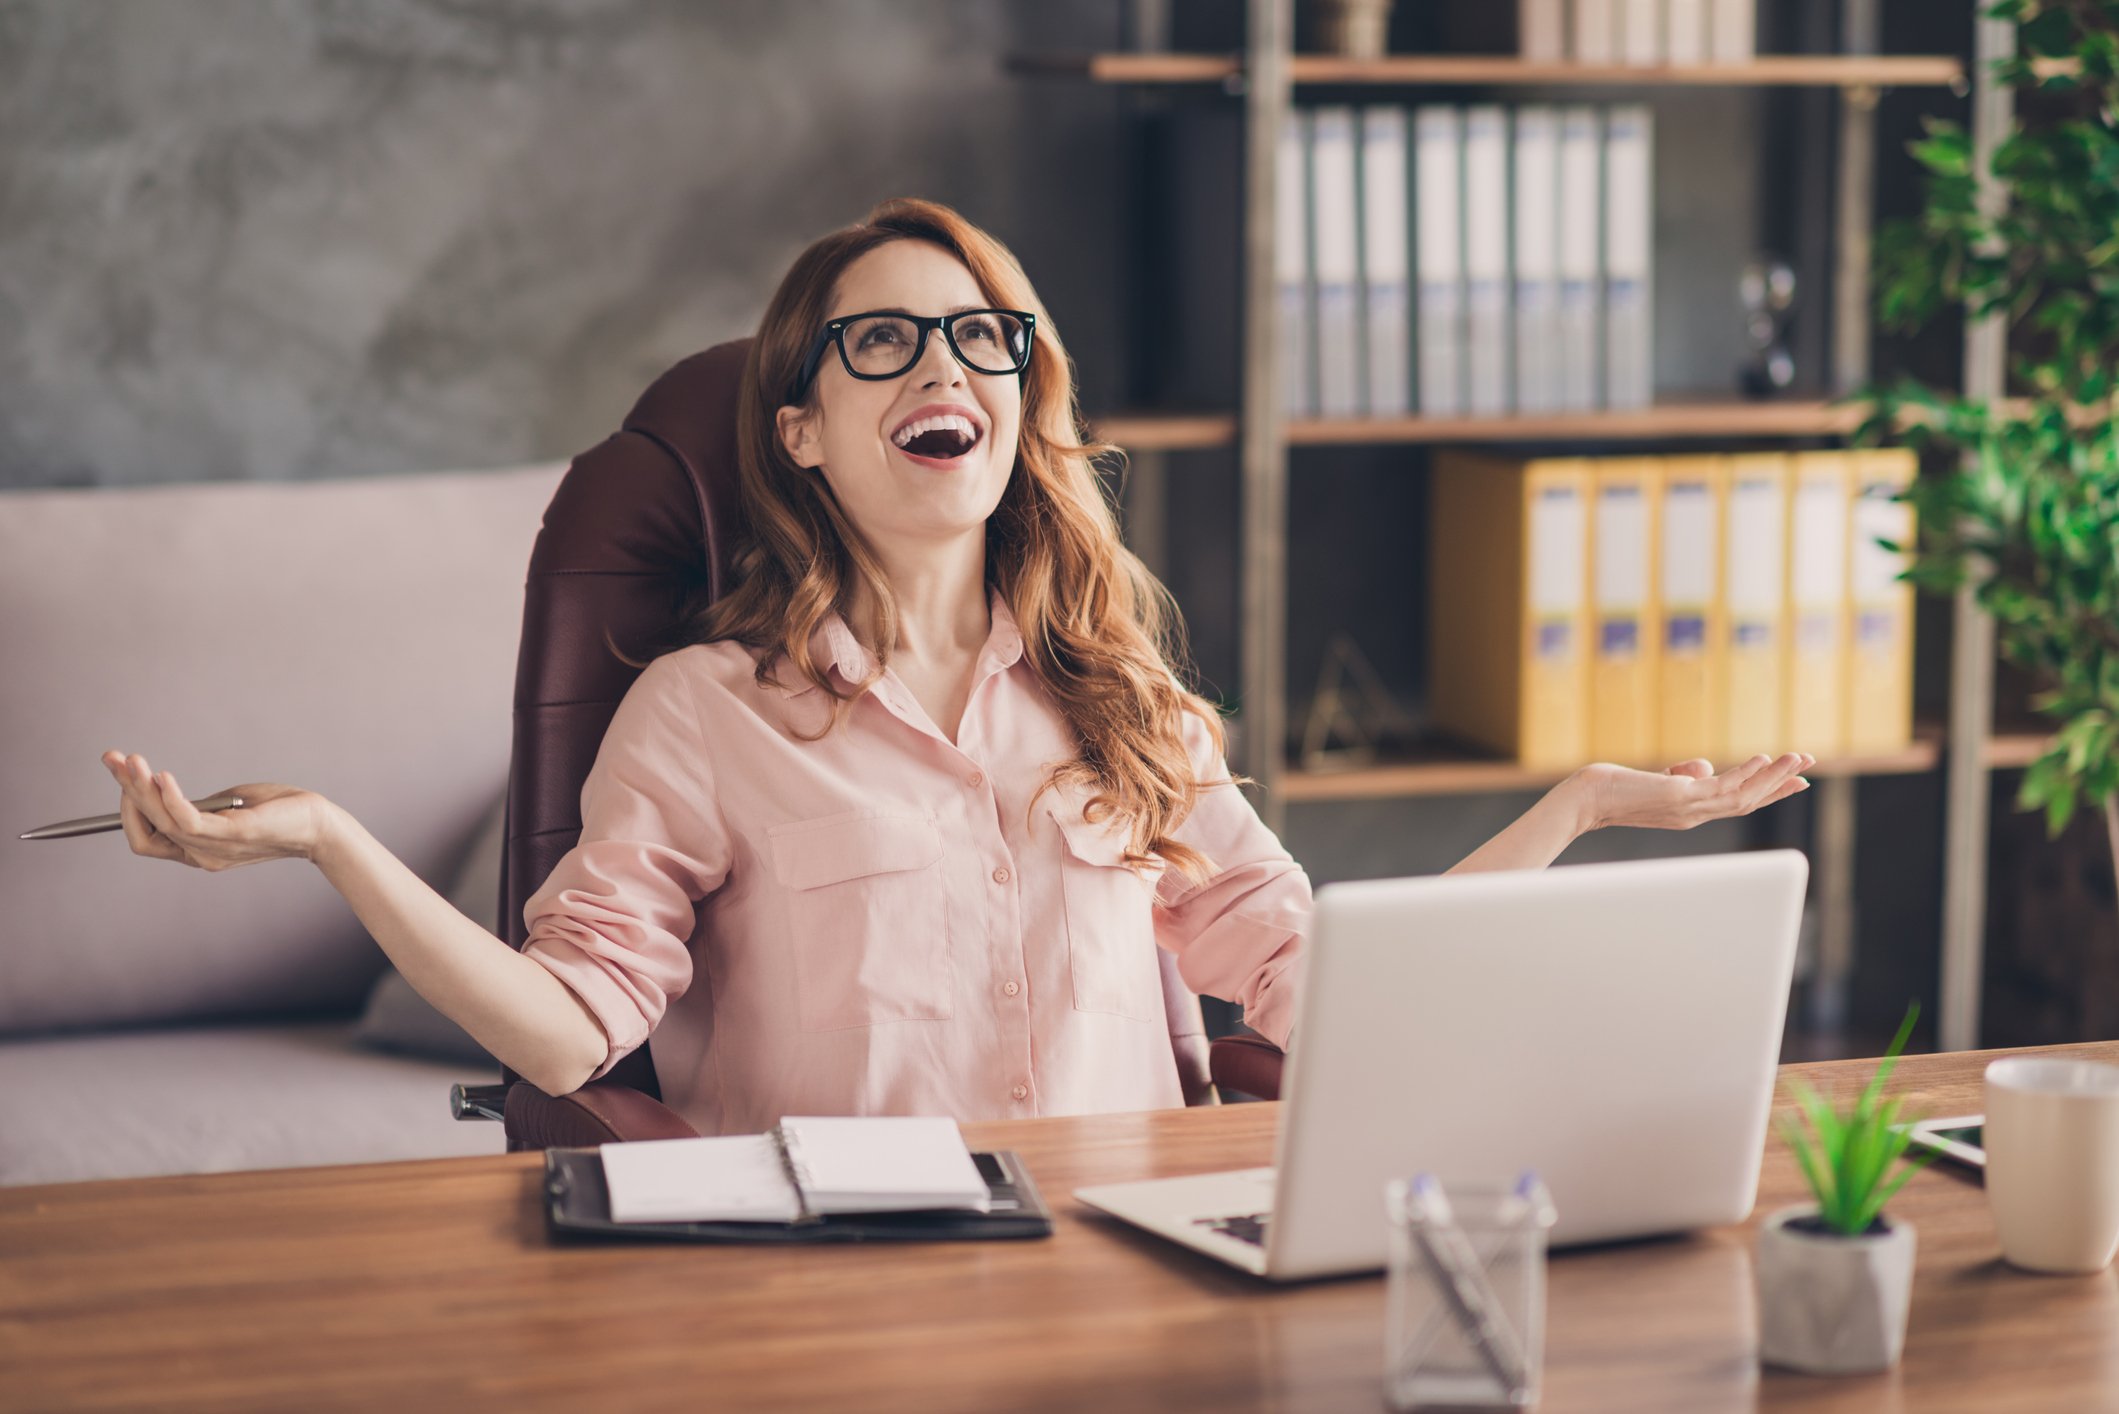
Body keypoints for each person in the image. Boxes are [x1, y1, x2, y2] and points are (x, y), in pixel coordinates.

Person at [100, 197, 1815, 1134]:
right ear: (806, 428)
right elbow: (565, 1041)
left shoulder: (1119, 702)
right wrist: (335, 842)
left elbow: (1339, 987)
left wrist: (1574, 808)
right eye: (884, 339)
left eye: (983, 335)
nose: (949, 363)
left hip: (1129, 1272)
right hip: (830, 1292)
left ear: (1015, 405)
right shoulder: (699, 714)